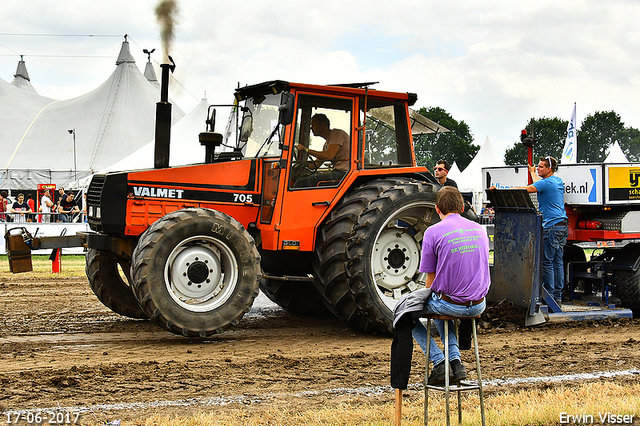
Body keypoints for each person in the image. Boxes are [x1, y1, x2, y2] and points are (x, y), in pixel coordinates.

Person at [410, 186, 490, 385]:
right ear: (462, 207)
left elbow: (430, 281)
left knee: (404, 314)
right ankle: (455, 362)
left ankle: (439, 363)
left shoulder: (433, 232)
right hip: (479, 303)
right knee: (439, 304)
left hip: (450, 304)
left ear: (437, 209)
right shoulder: (479, 229)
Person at [516, 156, 568, 302]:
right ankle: (557, 296)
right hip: (561, 225)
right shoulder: (556, 181)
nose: (537, 168)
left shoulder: (547, 183)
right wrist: (533, 173)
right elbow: (540, 184)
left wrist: (503, 189)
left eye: (540, 167)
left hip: (551, 226)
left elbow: (527, 189)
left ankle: (549, 295)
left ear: (548, 169)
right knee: (558, 261)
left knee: (547, 262)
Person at [294, 113, 349, 187]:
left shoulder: (337, 134)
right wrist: (302, 165)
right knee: (304, 179)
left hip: (345, 173)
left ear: (323, 125)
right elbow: (316, 164)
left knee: (301, 183)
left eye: (313, 124)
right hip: (338, 172)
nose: (311, 128)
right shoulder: (327, 144)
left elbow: (329, 155)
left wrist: (306, 150)